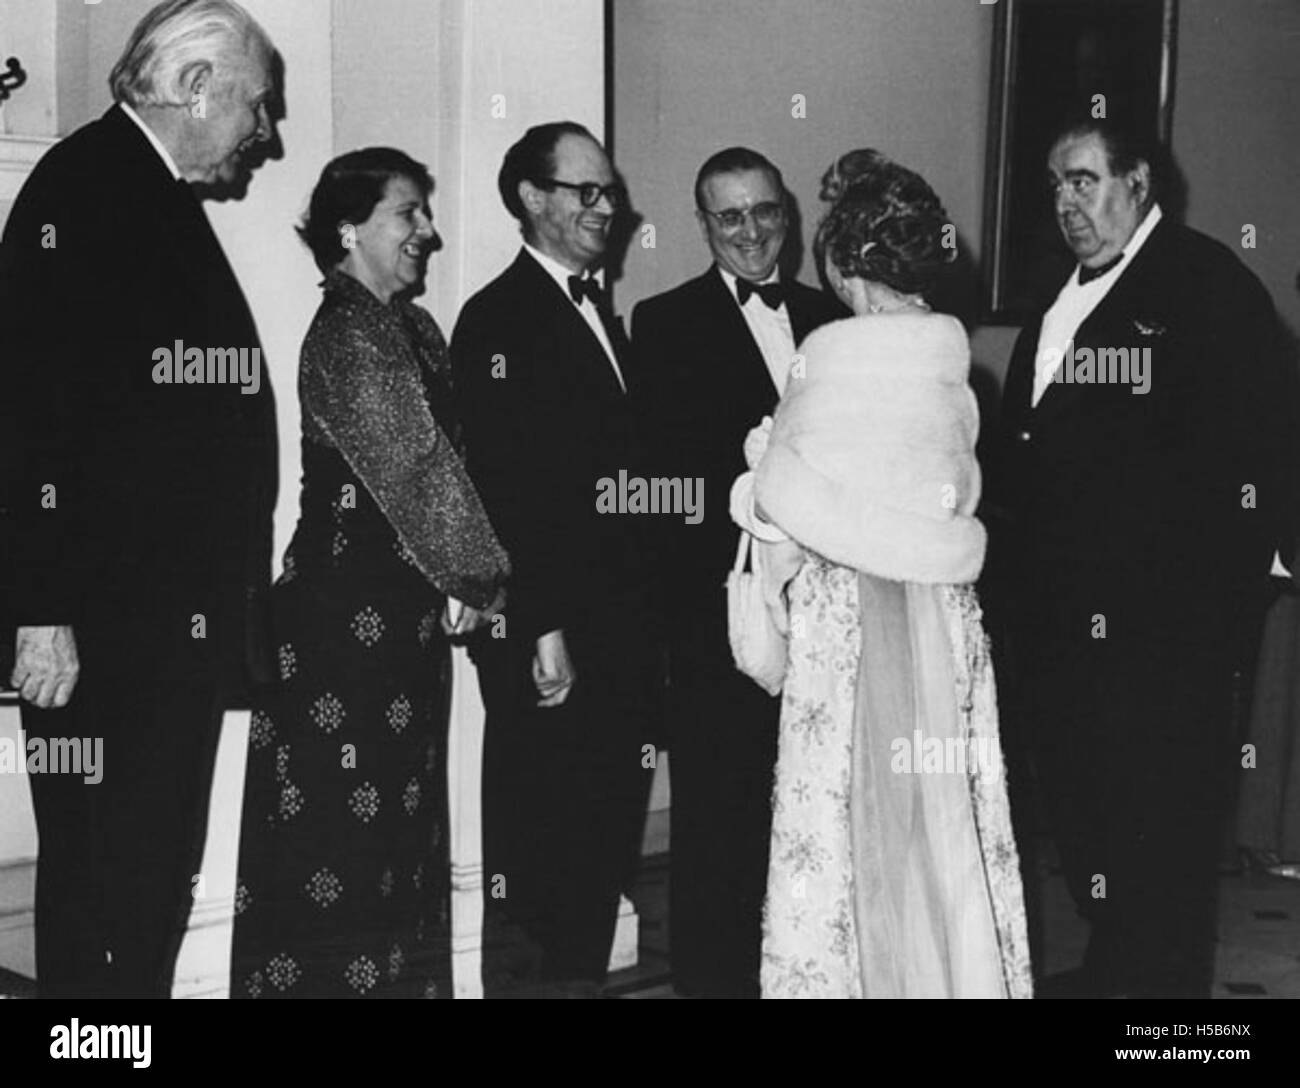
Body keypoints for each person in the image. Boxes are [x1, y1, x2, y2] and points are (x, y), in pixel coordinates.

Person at [0, 0, 279, 998]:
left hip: (159, 629)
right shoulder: (87, 186)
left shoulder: (141, 191)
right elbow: (28, 413)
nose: (265, 130)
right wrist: (40, 612)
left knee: (145, 873)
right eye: (255, 103)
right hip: (111, 631)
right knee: (108, 878)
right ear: (197, 87)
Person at [991, 116, 1297, 997]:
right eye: (1055, 185)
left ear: (1138, 183)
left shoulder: (1205, 283)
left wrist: (1212, 606)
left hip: (1162, 635)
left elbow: (1261, 449)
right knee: (1090, 817)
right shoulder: (1059, 301)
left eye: (1083, 181)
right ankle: (1117, 970)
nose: (1065, 202)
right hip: (1059, 623)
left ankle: (1168, 1021)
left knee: (1161, 829)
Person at [734, 150, 1032, 998]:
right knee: (942, 827)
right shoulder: (954, 371)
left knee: (842, 831)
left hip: (850, 633)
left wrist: (752, 472)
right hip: (942, 621)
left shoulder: (835, 360)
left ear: (845, 263)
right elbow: (954, 496)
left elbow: (782, 502)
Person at [230, 149, 509, 998]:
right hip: (340, 631)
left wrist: (458, 583)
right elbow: (416, 468)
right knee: (338, 846)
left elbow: (450, 463)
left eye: (425, 211)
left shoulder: (410, 327)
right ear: (349, 230)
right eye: (407, 213)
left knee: (395, 841)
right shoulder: (351, 331)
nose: (428, 231)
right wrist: (481, 579)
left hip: (397, 624)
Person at [631, 147, 843, 998]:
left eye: (764, 211)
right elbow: (657, 481)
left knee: (815, 803)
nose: (751, 231)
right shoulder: (663, 320)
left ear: (786, 214)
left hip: (828, 605)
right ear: (705, 226)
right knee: (720, 818)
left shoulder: (837, 319)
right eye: (730, 217)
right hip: (721, 610)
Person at [450, 122, 657, 995]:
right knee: (545, 847)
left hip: (612, 626)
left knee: (600, 837)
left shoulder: (597, 306)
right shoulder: (498, 317)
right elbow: (501, 489)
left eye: (610, 191)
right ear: (533, 199)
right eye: (587, 192)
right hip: (550, 629)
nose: (607, 207)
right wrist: (540, 627)